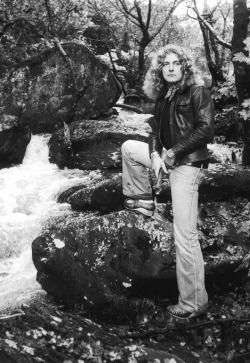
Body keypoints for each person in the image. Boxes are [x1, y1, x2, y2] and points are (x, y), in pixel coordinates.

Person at [121, 44, 214, 320]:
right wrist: (155, 154)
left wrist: (172, 153)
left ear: (185, 67)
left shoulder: (198, 91)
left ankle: (194, 302)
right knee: (128, 147)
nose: (171, 67)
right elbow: (153, 132)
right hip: (167, 161)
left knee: (185, 236)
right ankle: (143, 200)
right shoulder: (163, 98)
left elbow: (206, 130)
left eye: (176, 63)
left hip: (188, 165)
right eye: (166, 64)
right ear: (160, 70)